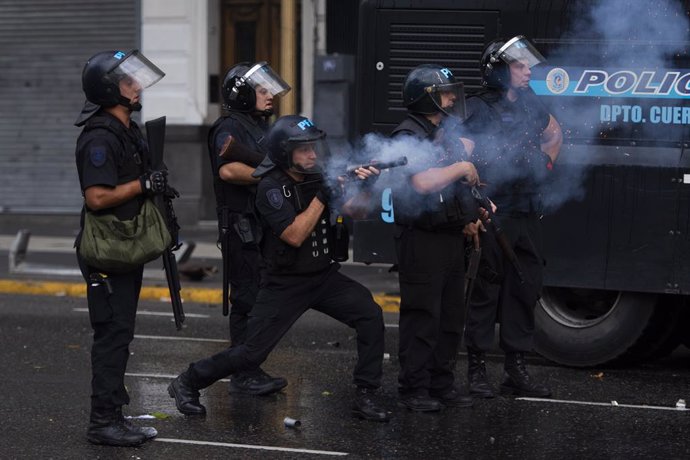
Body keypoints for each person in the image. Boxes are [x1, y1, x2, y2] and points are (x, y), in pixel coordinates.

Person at [169, 115, 389, 422]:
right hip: (285, 282)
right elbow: (295, 235)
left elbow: (357, 211)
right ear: (285, 153)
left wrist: (367, 185)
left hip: (323, 276)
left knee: (370, 314)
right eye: (304, 149)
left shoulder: (317, 177)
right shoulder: (270, 188)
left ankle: (366, 394)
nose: (313, 154)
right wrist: (323, 196)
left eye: (314, 147)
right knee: (250, 354)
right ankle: (189, 380)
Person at [74, 49, 166, 446]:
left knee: (121, 332)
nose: (138, 85)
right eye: (129, 81)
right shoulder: (99, 137)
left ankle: (114, 412)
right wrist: (144, 185)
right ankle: (102, 422)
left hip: (124, 246)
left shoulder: (127, 129)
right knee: (112, 334)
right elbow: (96, 197)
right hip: (107, 251)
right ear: (111, 89)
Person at [463, 36, 563, 398]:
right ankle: (476, 367)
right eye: (519, 66)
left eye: (526, 65)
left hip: (526, 213)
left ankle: (515, 368)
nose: (526, 72)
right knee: (485, 290)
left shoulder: (531, 103)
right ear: (499, 70)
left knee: (524, 287)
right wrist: (474, 200)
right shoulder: (475, 108)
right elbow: (460, 160)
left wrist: (545, 164)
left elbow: (554, 133)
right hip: (493, 213)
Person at [391, 64, 483, 412]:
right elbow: (420, 182)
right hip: (421, 239)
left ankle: (441, 382)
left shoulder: (440, 132)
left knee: (449, 315)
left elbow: (453, 190)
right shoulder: (407, 136)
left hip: (448, 235)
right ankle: (413, 388)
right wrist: (460, 166)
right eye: (444, 92)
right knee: (422, 316)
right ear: (425, 97)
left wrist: (470, 217)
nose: (451, 98)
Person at [207, 62, 290, 395]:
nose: (270, 96)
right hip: (241, 227)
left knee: (260, 298)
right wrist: (271, 174)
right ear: (241, 94)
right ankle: (243, 373)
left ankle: (250, 365)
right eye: (262, 90)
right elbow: (228, 171)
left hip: (261, 226)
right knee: (246, 300)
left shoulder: (259, 126)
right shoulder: (229, 127)